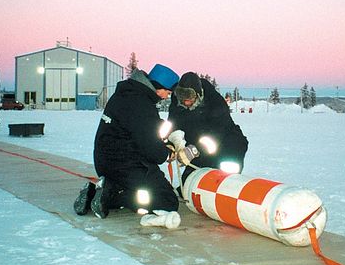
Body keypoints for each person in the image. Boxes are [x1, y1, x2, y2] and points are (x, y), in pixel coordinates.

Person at [74, 64, 198, 229]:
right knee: (167, 201)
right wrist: (168, 154)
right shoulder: (141, 104)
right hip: (127, 165)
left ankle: (96, 192)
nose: (166, 97)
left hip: (104, 162)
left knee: (137, 189)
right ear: (159, 87)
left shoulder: (126, 94)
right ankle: (108, 196)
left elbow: (142, 128)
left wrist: (169, 137)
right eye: (167, 92)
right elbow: (152, 150)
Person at [168, 72, 249, 184]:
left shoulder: (216, 102)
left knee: (223, 181)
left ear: (198, 94)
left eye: (190, 98)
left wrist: (194, 150)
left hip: (227, 144)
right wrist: (175, 144)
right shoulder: (177, 100)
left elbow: (218, 132)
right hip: (199, 145)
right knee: (189, 183)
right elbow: (173, 123)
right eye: (182, 98)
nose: (186, 102)